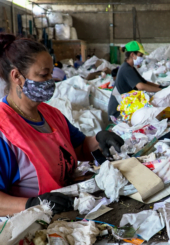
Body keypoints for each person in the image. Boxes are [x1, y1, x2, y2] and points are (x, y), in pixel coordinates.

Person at [0, 34, 124, 216]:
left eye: (51, 73)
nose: (51, 80)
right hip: (34, 225)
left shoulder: (51, 114)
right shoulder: (4, 131)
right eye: (44, 75)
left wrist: (99, 139)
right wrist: (32, 204)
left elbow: (79, 146)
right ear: (17, 76)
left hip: (68, 213)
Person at [108, 41, 164, 119]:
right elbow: (140, 86)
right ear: (132, 55)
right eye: (140, 55)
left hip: (126, 105)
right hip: (119, 111)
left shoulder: (130, 67)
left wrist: (161, 86)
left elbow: (144, 82)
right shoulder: (126, 69)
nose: (142, 58)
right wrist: (160, 90)